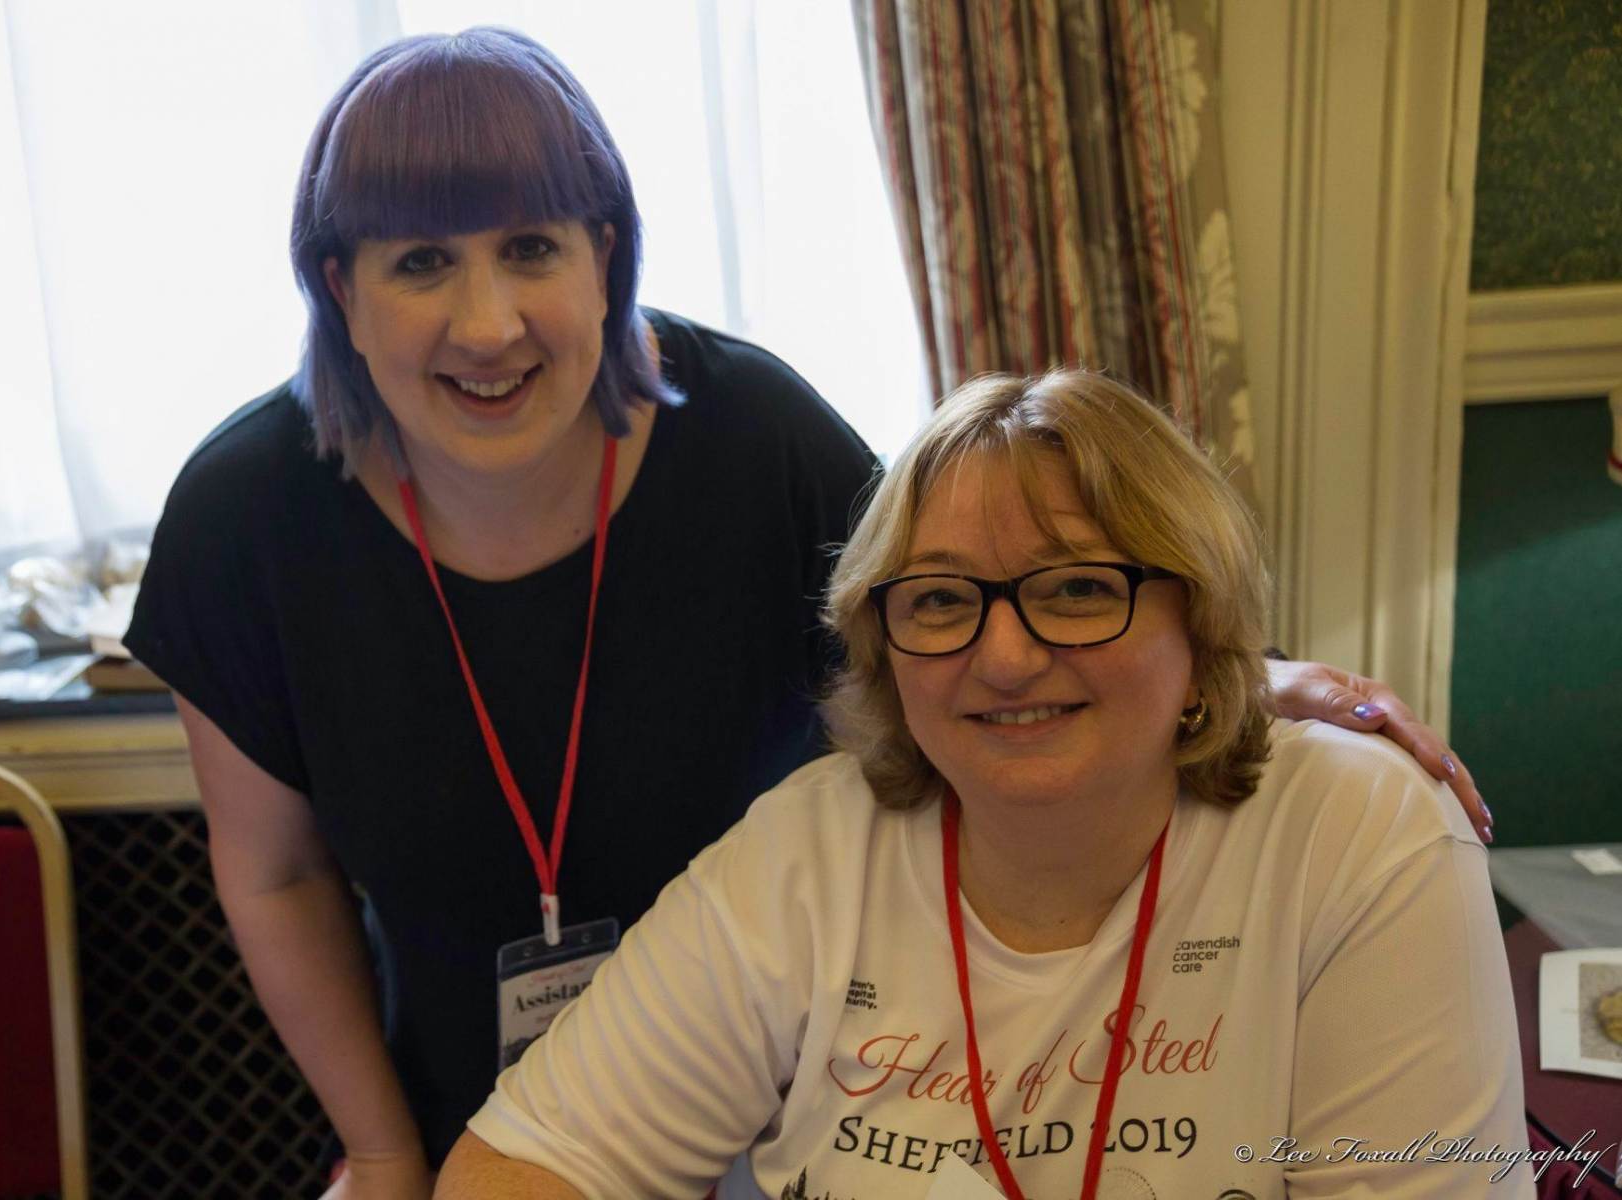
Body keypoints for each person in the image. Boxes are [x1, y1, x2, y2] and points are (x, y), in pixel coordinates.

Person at [126, 28, 1492, 1198]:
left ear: (606, 256)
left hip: (792, 1079)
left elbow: (973, 604)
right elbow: (278, 874)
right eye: (421, 261)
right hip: (460, 1092)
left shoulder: (751, 439)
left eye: (531, 247)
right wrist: (381, 1155)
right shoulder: (246, 515)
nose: (487, 325)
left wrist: (1231, 668)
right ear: (340, 289)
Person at [443, 371, 1527, 1199]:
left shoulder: (1355, 829)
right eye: (939, 601)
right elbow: (516, 1170)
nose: (1003, 658)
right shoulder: (806, 852)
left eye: (1077, 590)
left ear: (1198, 621)